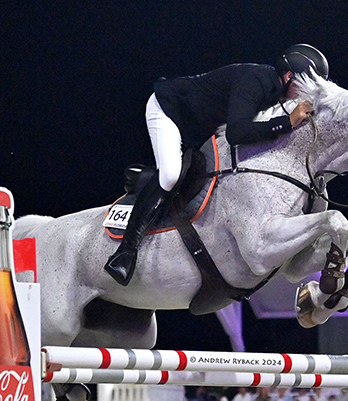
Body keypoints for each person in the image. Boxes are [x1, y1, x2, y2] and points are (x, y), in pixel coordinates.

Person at [104, 44, 330, 285]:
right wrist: (287, 122)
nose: (307, 94)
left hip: (197, 127)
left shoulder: (277, 92)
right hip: (169, 110)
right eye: (304, 86)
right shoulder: (255, 80)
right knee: (170, 175)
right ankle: (125, 252)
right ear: (288, 77)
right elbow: (237, 133)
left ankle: (147, 179)